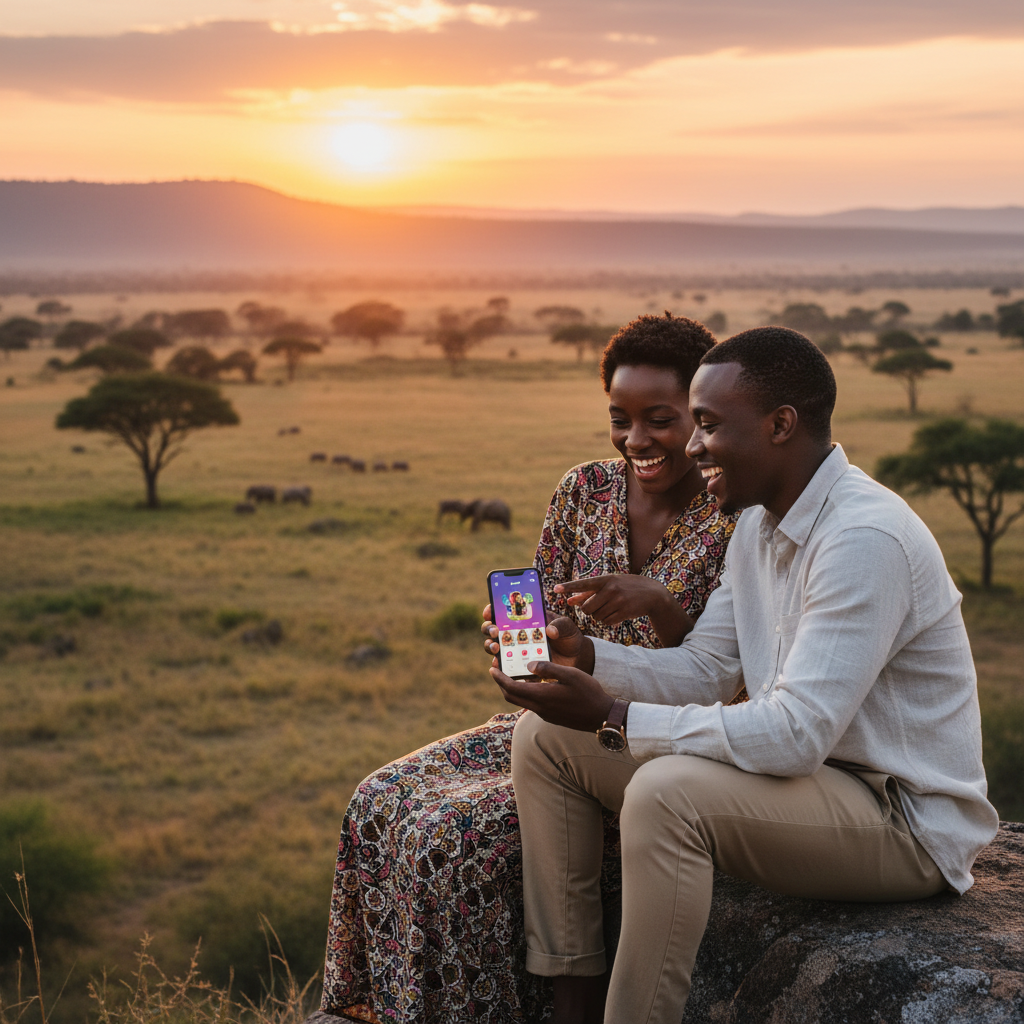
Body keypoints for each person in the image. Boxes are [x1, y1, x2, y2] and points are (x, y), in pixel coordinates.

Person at [490, 327, 999, 1024]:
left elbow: (795, 734)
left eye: (706, 425)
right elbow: (705, 669)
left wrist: (615, 716)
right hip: (810, 788)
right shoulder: (757, 525)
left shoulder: (862, 538)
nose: (693, 448)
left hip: (900, 819)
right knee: (543, 740)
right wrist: (589, 660)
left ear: (780, 425)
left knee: (668, 795)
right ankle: (572, 997)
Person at [318, 314, 739, 1024]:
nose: (636, 439)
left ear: (699, 419)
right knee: (380, 799)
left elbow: (721, 672)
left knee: (446, 840)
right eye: (620, 418)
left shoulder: (737, 513)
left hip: (656, 738)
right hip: (548, 722)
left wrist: (661, 606)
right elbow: (544, 607)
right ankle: (385, 1009)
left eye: (660, 419)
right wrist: (543, 637)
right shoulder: (583, 490)